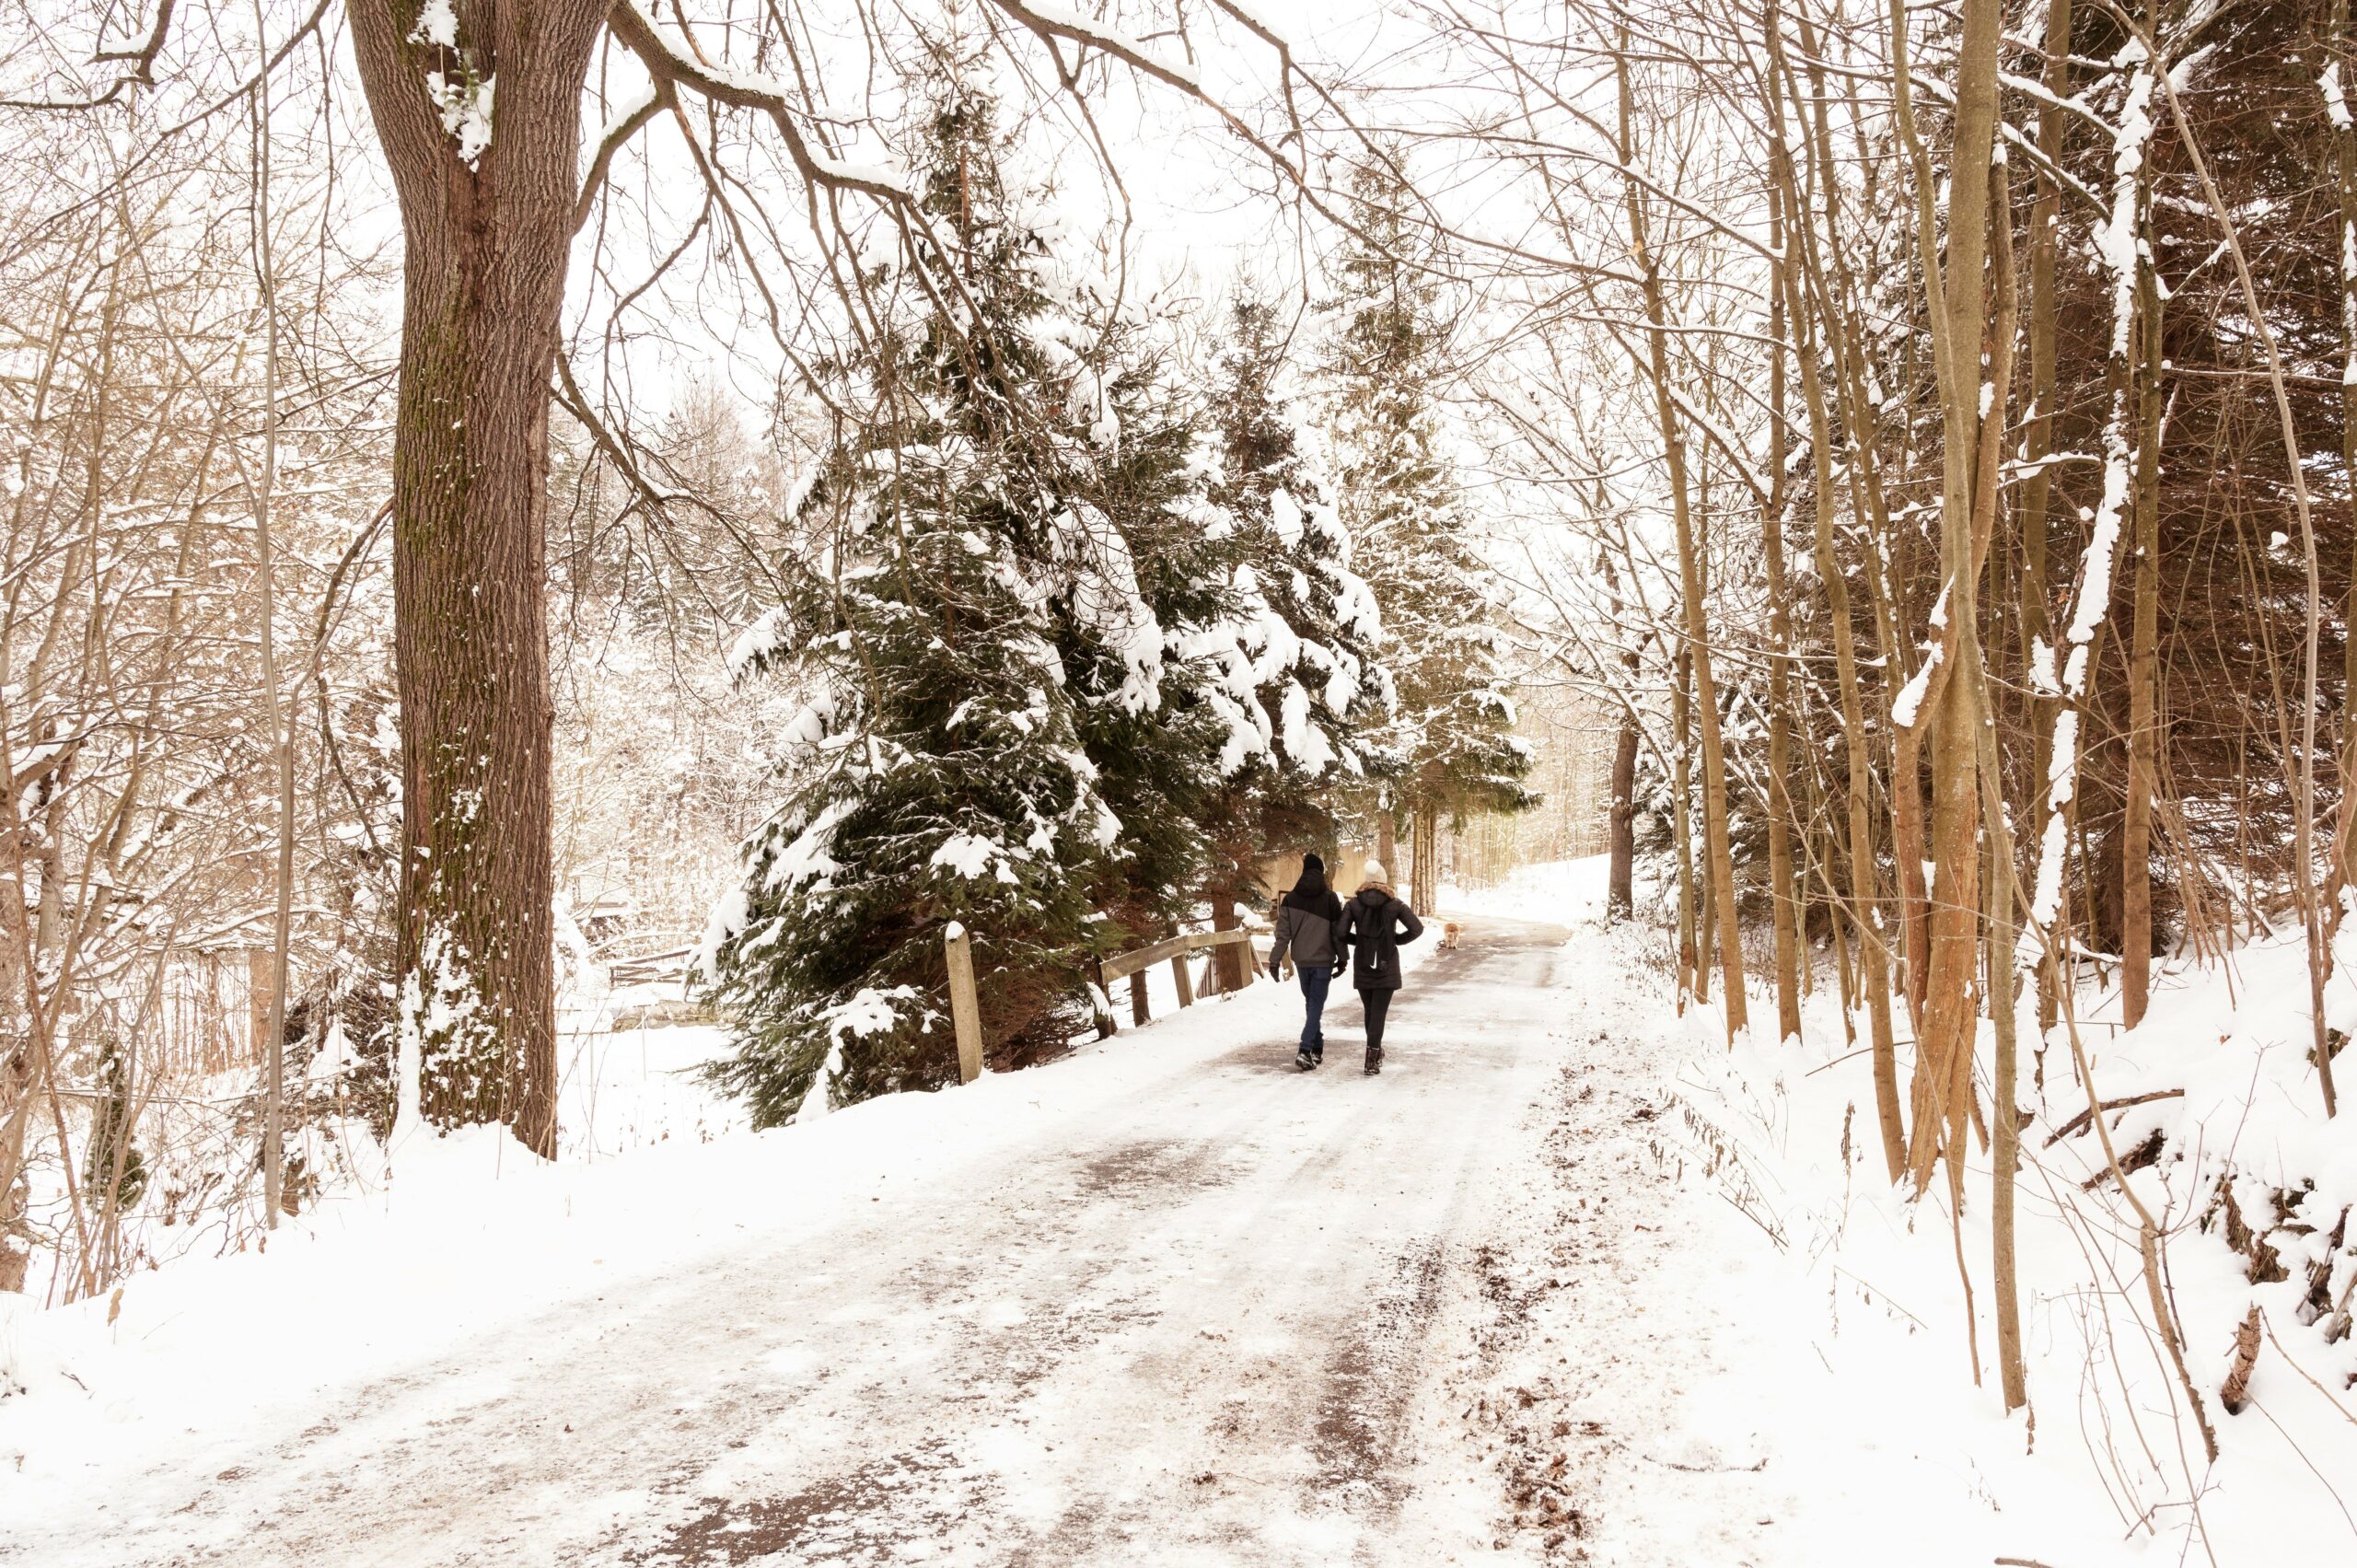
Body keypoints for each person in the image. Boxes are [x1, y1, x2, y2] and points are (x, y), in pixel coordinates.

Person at [1337, 860, 1422, 1075]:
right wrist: (1395, 940)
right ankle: (1371, 1059)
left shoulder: (1354, 904)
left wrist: (1360, 941)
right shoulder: (1395, 904)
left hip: (1364, 963)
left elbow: (1340, 932)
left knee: (1370, 1011)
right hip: (1386, 964)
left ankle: (1375, 1053)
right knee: (1378, 1013)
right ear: (1384, 882)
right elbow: (1417, 928)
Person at [1268, 853, 1346, 1070]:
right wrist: (1343, 959)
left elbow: (1283, 935)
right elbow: (1337, 933)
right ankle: (1305, 1049)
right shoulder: (1330, 898)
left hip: (1302, 961)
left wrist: (1274, 961)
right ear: (1321, 871)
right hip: (1323, 960)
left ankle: (1316, 1048)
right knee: (1315, 1005)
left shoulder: (1290, 899)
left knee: (1313, 1004)